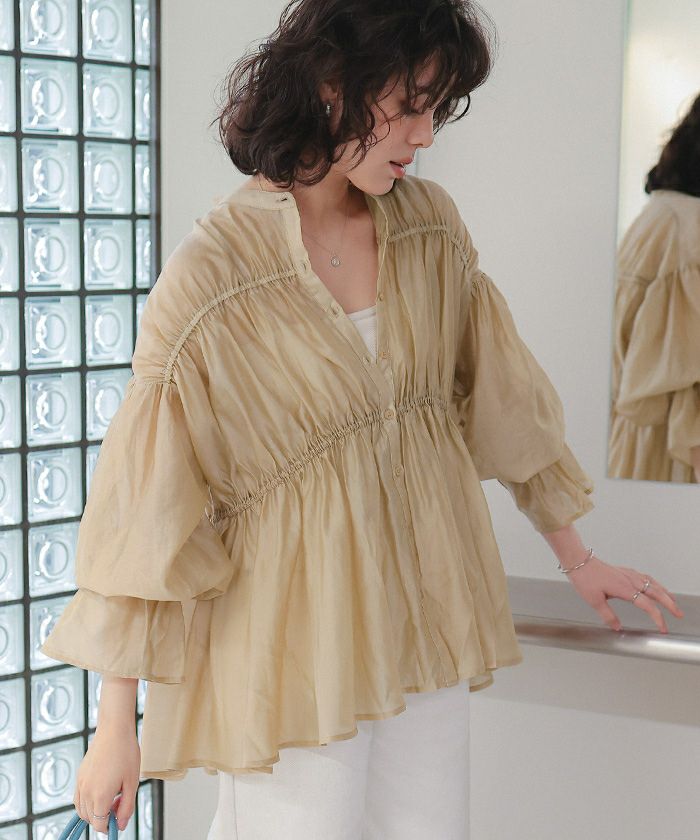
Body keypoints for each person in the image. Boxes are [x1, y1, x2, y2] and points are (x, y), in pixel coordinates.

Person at [39, 1, 684, 838]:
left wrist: (578, 557)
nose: (425, 135)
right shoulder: (212, 274)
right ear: (331, 82)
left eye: (436, 109)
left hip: (424, 620)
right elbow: (143, 510)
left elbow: (502, 402)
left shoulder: (429, 228)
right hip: (289, 644)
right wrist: (113, 728)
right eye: (411, 105)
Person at [608, 91, 700, 483]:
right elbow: (687, 396)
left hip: (640, 452)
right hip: (672, 462)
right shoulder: (688, 231)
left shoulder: (662, 215)